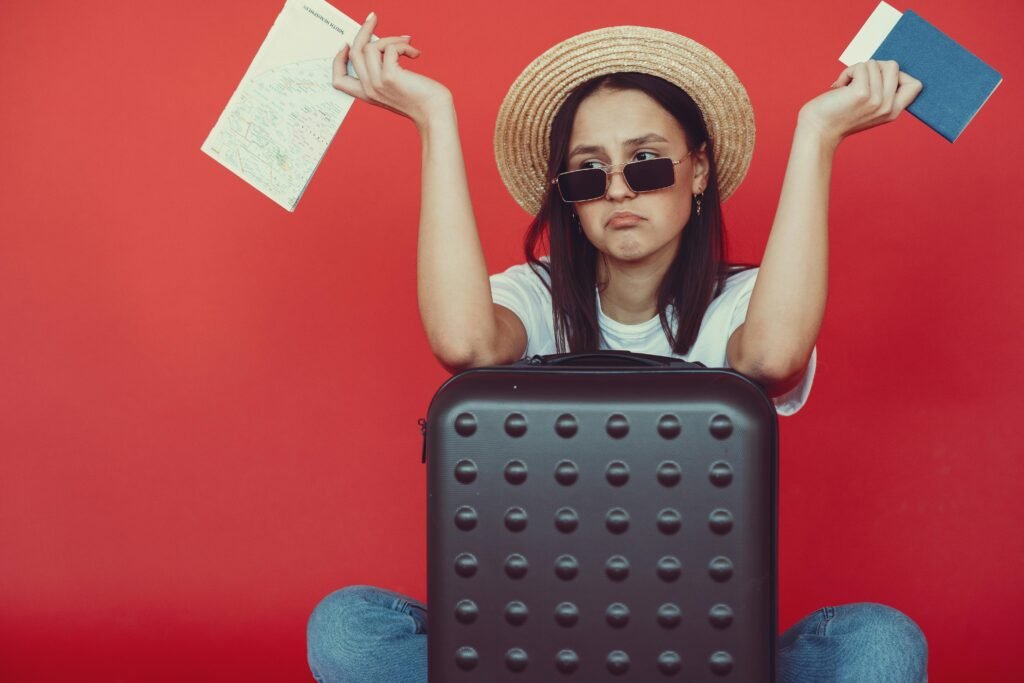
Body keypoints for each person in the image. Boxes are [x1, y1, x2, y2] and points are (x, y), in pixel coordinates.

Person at [306, 12, 929, 682]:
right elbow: (464, 342)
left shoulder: (748, 300)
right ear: (570, 199)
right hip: (533, 646)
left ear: (697, 172)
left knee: (879, 645)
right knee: (348, 629)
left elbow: (771, 359)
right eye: (588, 173)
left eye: (648, 161)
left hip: (707, 652)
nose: (620, 189)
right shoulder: (535, 295)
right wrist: (433, 115)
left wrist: (819, 135)